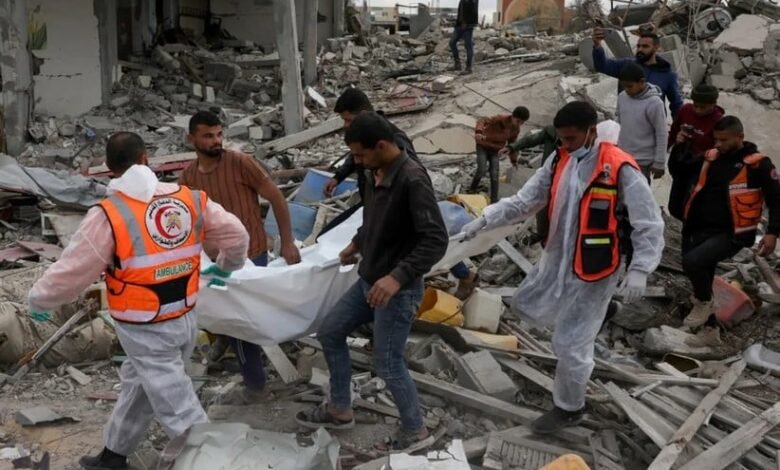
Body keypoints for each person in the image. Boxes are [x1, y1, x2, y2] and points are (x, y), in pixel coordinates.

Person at [27, 132, 249, 470]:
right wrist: (227, 266)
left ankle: (211, 463)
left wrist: (39, 300)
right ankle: (113, 455)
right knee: (141, 385)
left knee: (179, 409)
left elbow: (73, 271)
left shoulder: (109, 214)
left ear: (109, 168)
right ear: (146, 159)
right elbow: (237, 235)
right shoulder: (190, 199)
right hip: (184, 316)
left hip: (145, 324)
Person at [459, 102, 664, 434]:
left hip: (597, 267)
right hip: (561, 258)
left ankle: (570, 407)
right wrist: (485, 219)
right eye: (562, 139)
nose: (565, 144)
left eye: (571, 138)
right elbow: (526, 201)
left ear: (591, 131)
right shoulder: (561, 159)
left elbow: (648, 222)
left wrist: (641, 268)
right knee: (526, 303)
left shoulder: (619, 168)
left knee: (569, 343)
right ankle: (603, 313)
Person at [296, 112, 448, 452]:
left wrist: (396, 278)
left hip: (397, 291)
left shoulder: (412, 180)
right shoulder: (375, 172)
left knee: (388, 364)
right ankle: (340, 408)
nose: (358, 162)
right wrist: (358, 243)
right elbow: (375, 218)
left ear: (381, 146)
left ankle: (416, 431)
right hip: (369, 281)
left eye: (361, 155)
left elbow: (436, 240)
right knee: (330, 332)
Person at [179, 110, 301, 405]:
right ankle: (236, 354)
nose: (216, 141)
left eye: (219, 134)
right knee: (227, 317)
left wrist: (287, 242)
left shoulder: (240, 162)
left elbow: (276, 197)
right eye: (208, 135)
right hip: (216, 262)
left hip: (251, 255)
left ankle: (256, 387)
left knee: (242, 324)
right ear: (191, 139)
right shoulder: (189, 177)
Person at [324, 87, 479, 300]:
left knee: (410, 239)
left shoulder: (394, 144)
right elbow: (355, 157)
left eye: (349, 120)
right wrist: (338, 177)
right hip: (376, 200)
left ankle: (463, 275)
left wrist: (397, 277)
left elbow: (413, 177)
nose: (346, 126)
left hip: (395, 204)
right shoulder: (366, 143)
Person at [668, 116, 780, 327]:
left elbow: (776, 199)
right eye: (716, 139)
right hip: (697, 228)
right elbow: (679, 171)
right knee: (702, 275)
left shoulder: (758, 165)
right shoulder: (711, 157)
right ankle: (710, 331)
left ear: (740, 137)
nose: (718, 144)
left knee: (693, 262)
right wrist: (679, 145)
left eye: (724, 140)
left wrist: (773, 232)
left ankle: (704, 303)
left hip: (731, 234)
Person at [592, 28, 682, 116]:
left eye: (645, 46)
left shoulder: (668, 75)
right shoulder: (626, 65)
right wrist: (597, 45)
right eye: (639, 46)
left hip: (653, 123)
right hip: (627, 120)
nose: (640, 50)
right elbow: (602, 66)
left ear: (656, 48)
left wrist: (678, 124)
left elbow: (676, 105)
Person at [503, 124, 559, 242]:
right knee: (542, 205)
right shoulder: (551, 132)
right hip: (548, 175)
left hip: (566, 179)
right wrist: (513, 147)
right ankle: (541, 234)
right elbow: (531, 139)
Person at [616, 63, 669, 181]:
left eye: (630, 86)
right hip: (622, 157)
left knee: (638, 191)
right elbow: (618, 121)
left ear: (642, 82)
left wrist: (659, 162)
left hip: (642, 162)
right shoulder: (622, 97)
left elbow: (661, 133)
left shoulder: (654, 103)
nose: (626, 90)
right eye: (624, 86)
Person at [471, 106, 530, 203]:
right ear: (513, 116)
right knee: (481, 170)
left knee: (494, 174)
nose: (519, 124)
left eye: (522, 123)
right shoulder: (500, 119)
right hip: (483, 146)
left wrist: (514, 160)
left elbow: (512, 146)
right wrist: (479, 132)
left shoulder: (516, 130)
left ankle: (494, 200)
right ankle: (472, 189)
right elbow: (483, 120)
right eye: (518, 121)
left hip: (495, 150)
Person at [668, 84, 725, 158]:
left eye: (703, 107)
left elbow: (721, 149)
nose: (698, 110)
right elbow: (673, 133)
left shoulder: (719, 121)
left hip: (703, 161)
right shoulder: (685, 110)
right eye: (695, 105)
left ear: (713, 104)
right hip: (681, 158)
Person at [449, 0, 479, 75]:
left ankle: (468, 68)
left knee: (468, 46)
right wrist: (458, 23)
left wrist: (466, 22)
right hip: (459, 25)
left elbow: (472, 10)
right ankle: (457, 64)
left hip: (468, 26)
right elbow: (461, 11)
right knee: (452, 43)